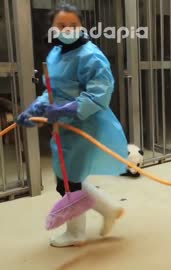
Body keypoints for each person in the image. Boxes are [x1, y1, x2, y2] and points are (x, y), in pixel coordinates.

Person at [17, 3, 128, 247]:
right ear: (53, 28)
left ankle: (76, 233)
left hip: (85, 123)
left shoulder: (91, 55)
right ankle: (109, 209)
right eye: (61, 25)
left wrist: (68, 109)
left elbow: (100, 93)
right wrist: (36, 107)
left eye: (73, 25)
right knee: (68, 176)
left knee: (69, 180)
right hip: (64, 126)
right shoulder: (56, 54)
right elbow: (52, 90)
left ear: (82, 26)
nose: (67, 30)